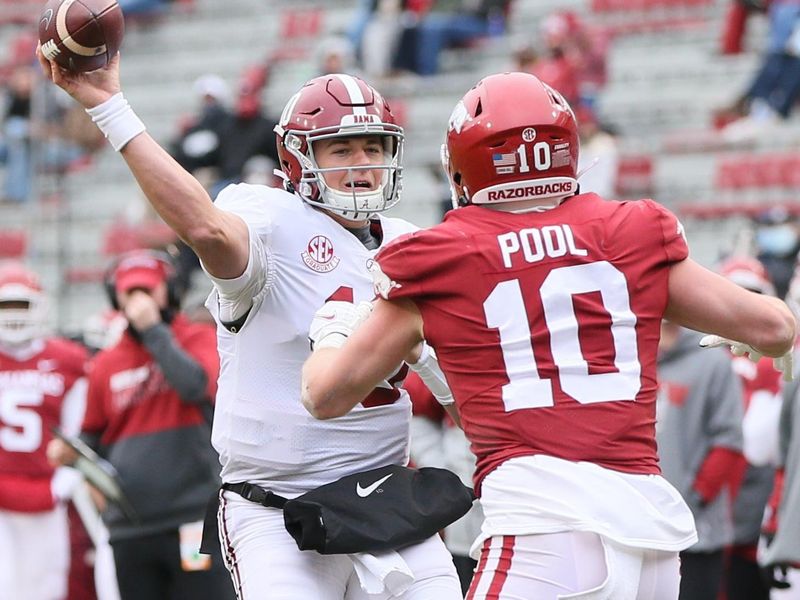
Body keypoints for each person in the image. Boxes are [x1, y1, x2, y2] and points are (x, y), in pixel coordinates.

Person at [300, 72, 797, 599]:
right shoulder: (629, 231)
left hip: (544, 531)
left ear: (464, 166)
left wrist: (335, 332)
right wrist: (755, 339)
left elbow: (325, 395)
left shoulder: (442, 257)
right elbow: (774, 325)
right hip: (653, 540)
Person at [37, 43, 462, 599]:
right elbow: (209, 231)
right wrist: (110, 107)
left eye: (372, 146)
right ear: (297, 161)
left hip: (386, 501)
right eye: (342, 149)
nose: (362, 163)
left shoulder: (411, 242)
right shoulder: (269, 221)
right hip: (278, 509)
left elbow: (465, 388)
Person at [47, 250, 232, 600]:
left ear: (170, 290)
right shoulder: (105, 364)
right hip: (131, 527)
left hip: (193, 520)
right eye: (130, 292)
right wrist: (71, 450)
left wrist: (153, 332)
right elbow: (94, 435)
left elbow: (195, 386)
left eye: (147, 290)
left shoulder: (200, 339)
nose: (138, 301)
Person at [0, 261, 89, 600]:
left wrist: (67, 481)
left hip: (47, 492)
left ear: (39, 306)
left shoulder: (68, 359)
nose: (13, 315)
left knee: (47, 588)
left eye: (20, 304)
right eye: (6, 305)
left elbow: (81, 429)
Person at [656, 320, 746, 600]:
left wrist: (694, 499)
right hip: (638, 529)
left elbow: (729, 441)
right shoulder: (629, 357)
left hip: (696, 534)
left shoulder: (713, 363)